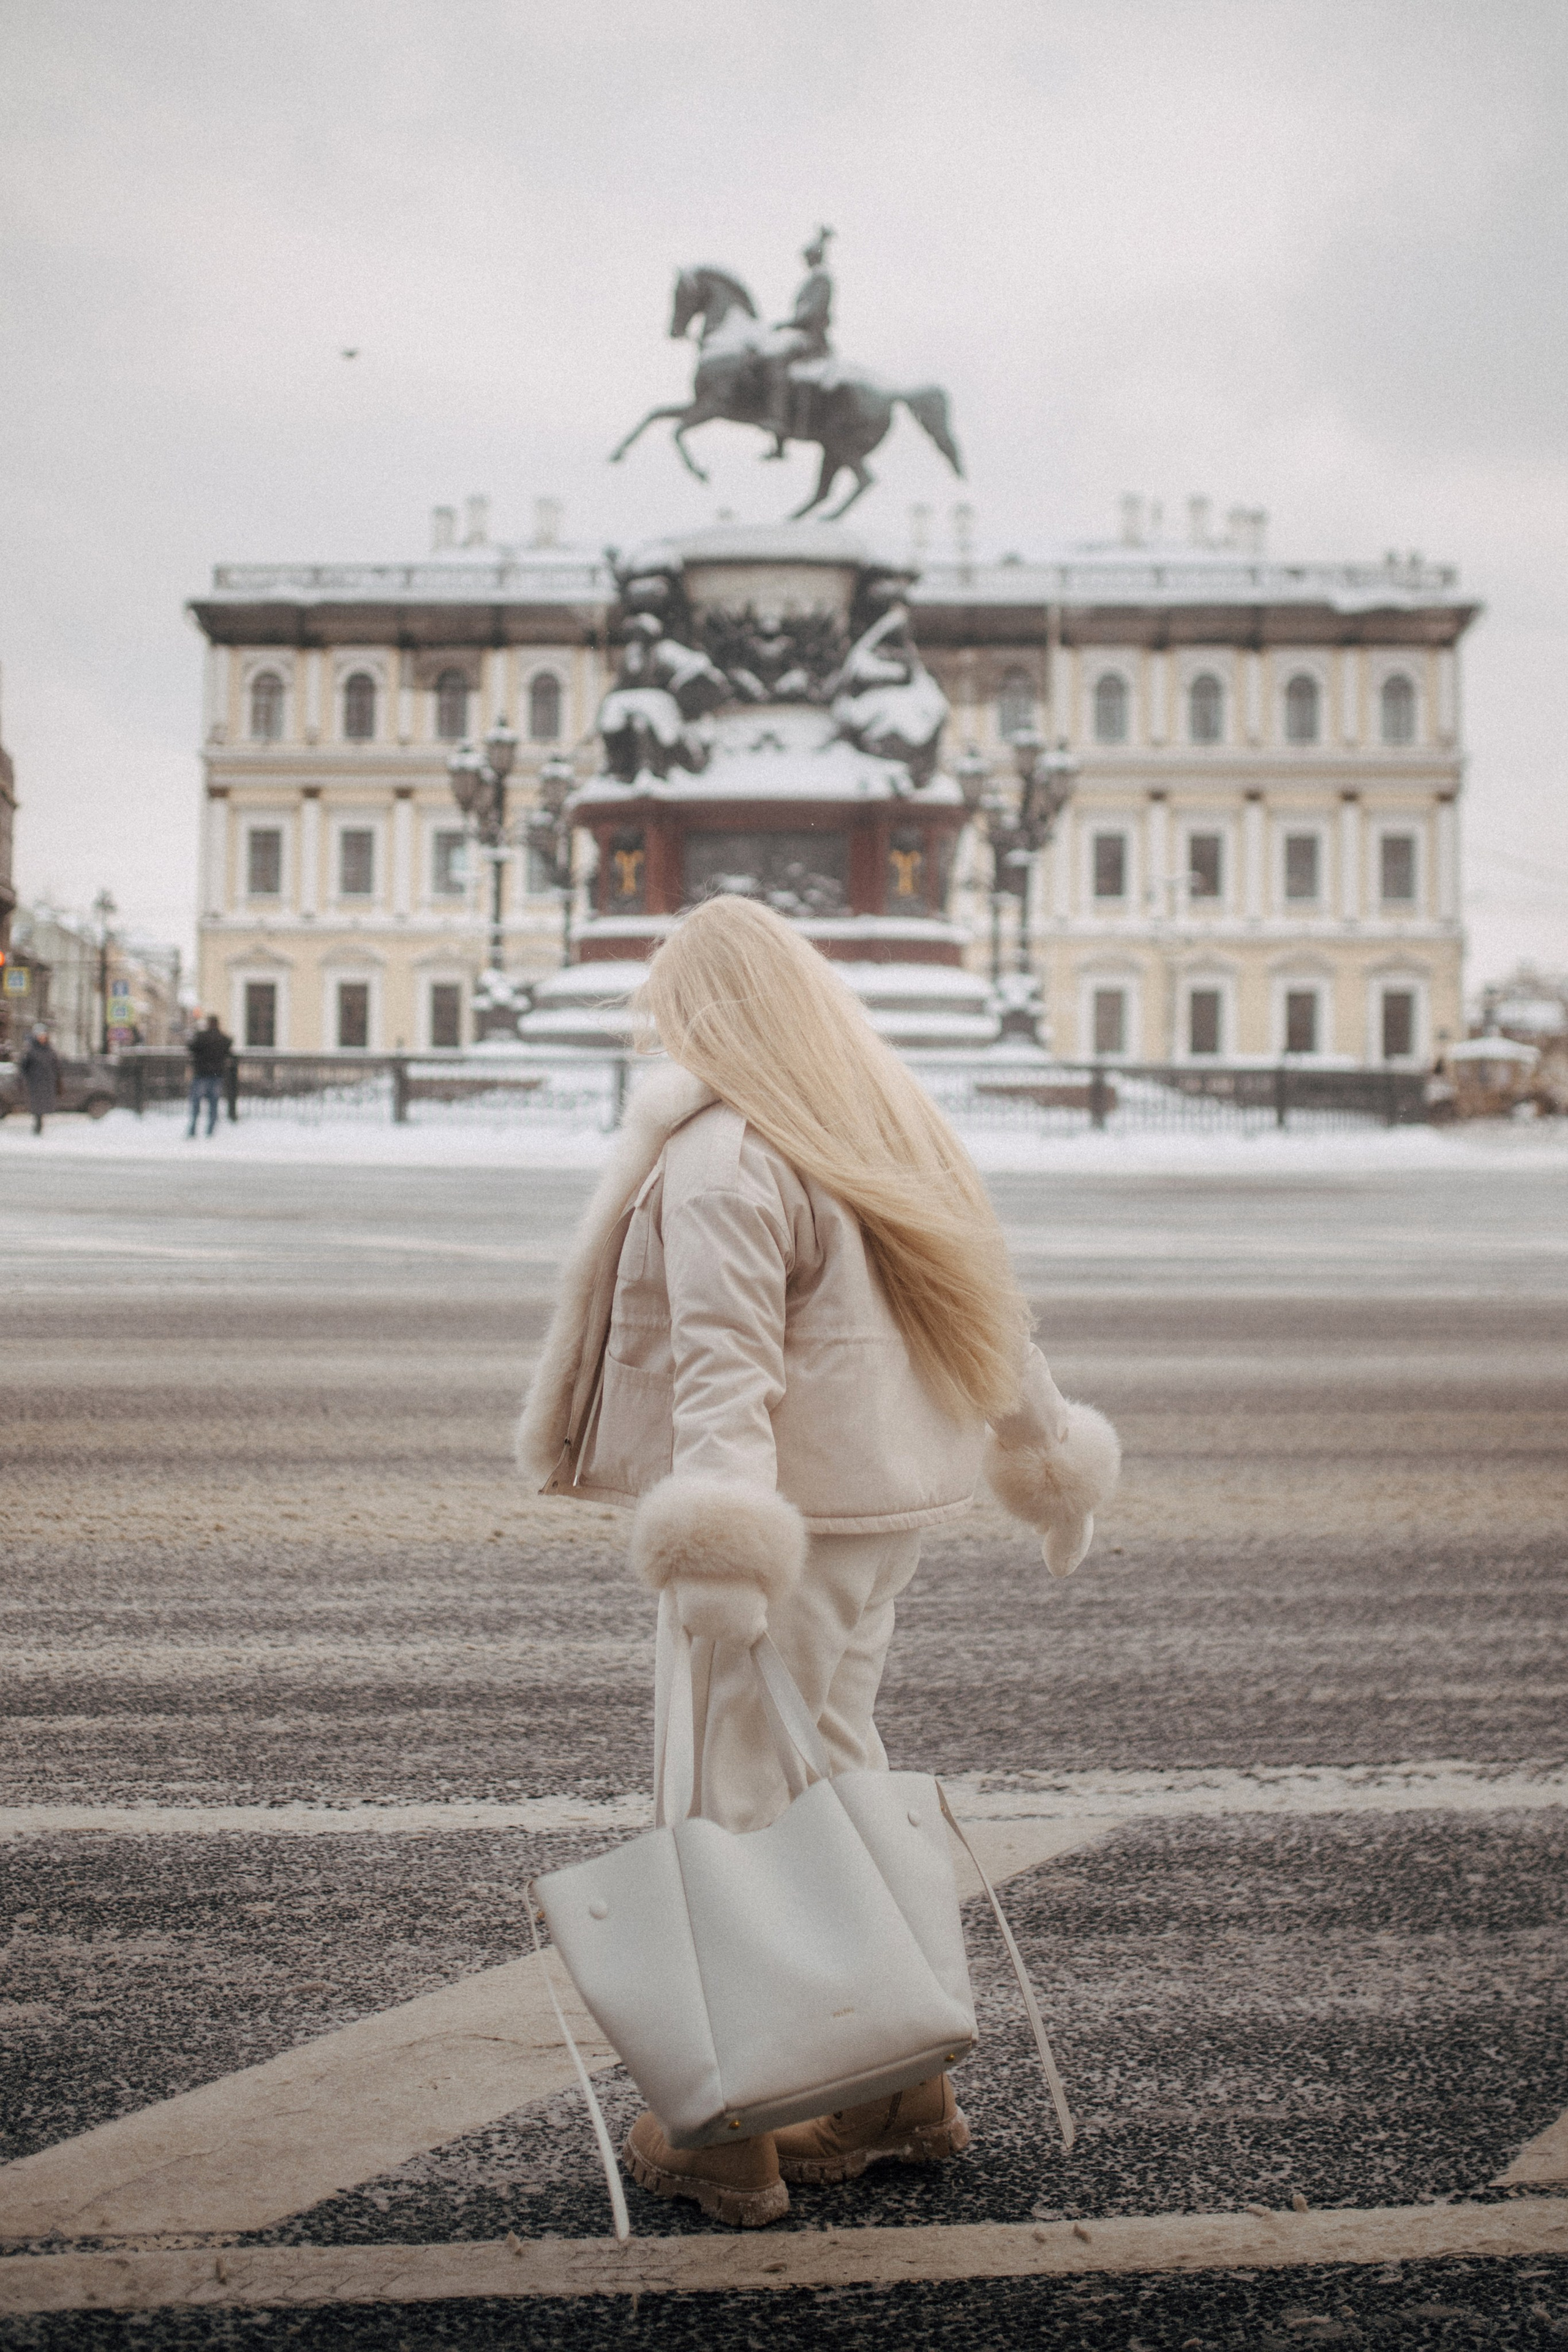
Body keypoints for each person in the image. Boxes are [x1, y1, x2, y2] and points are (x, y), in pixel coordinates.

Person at [518, 895, 1120, 2228]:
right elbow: (990, 1320)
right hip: (883, 1513)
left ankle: (744, 2121)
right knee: (835, 1766)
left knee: (732, 1799)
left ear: (702, 1013)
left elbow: (723, 1378)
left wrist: (720, 1551)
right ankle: (898, 2088)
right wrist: (1047, 1452)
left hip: (776, 1528)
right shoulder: (881, 1131)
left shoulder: (729, 1158)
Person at [186, 1012, 233, 1137]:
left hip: (201, 1074)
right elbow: (229, 1051)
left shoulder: (202, 1037)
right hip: (216, 1075)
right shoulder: (223, 1039)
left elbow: (191, 1047)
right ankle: (210, 1130)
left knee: (196, 1103)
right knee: (214, 1104)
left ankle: (193, 1128)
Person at [20, 1025, 60, 1136]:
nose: (42, 1038)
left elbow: (56, 1067)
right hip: (35, 1083)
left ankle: (39, 1125)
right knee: (37, 1105)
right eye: (40, 1036)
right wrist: (26, 1079)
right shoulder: (31, 1051)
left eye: (44, 1036)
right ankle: (38, 1126)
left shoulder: (50, 1051)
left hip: (47, 1083)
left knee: (43, 1105)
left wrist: (56, 1081)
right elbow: (24, 1067)